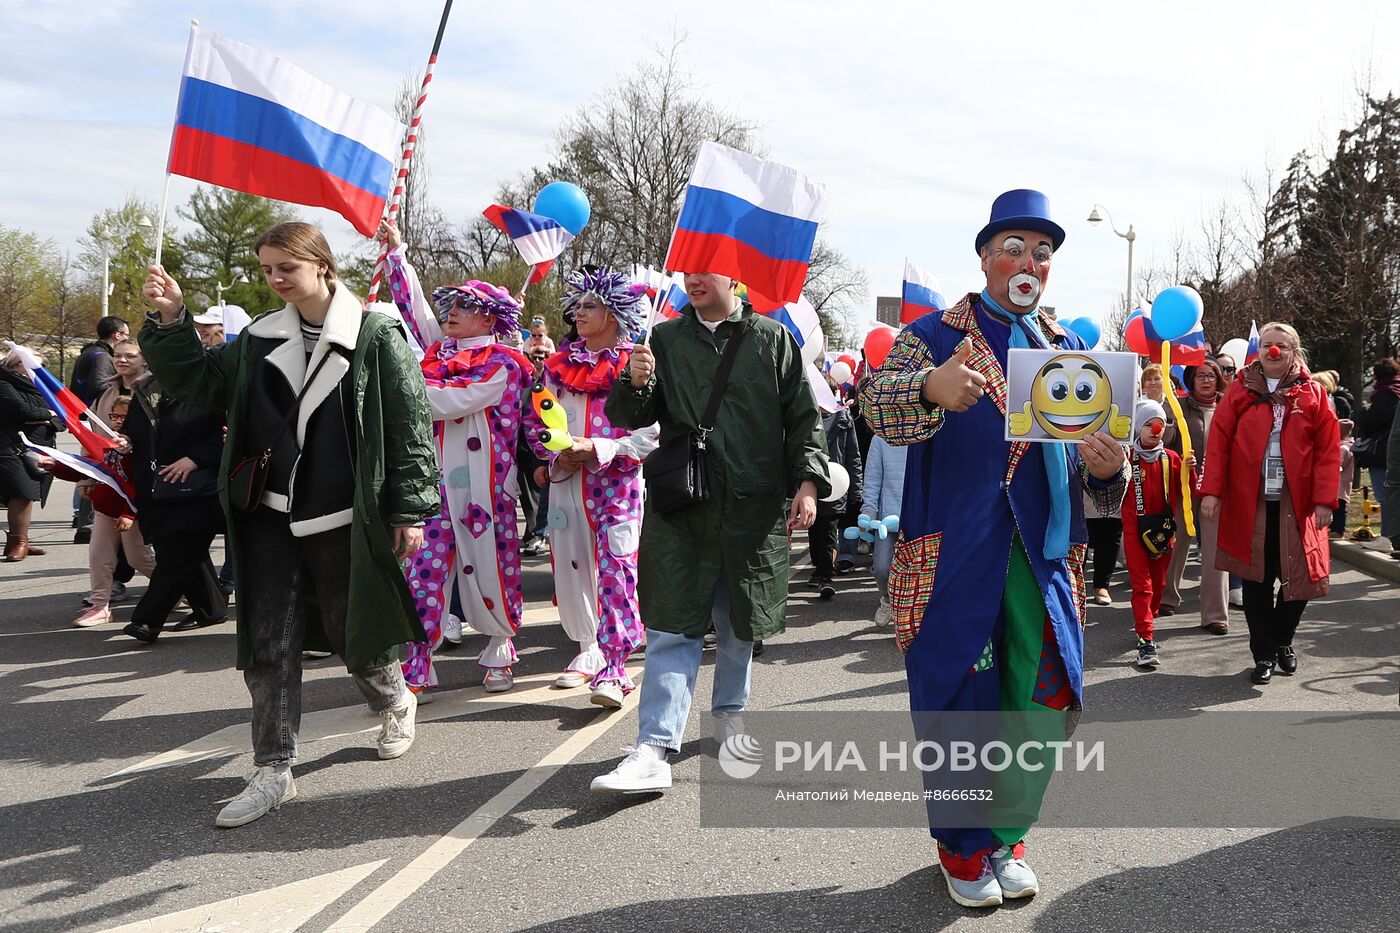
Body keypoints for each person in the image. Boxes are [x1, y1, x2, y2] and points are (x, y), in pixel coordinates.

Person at [862, 189, 1128, 908]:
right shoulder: (934, 334)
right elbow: (876, 406)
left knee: (1039, 696)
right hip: (954, 554)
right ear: (984, 256)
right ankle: (963, 846)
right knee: (962, 699)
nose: (1029, 262)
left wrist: (1107, 466)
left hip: (1041, 560)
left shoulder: (1069, 350)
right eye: (1015, 247)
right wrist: (927, 387)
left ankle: (1008, 835)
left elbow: (1098, 479)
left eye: (1043, 252)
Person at [139, 220, 439, 828]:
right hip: (268, 517)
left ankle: (395, 697)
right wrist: (171, 321)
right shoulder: (257, 337)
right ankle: (273, 769)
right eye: (267, 269)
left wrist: (410, 510)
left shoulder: (377, 334)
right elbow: (198, 381)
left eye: (286, 268)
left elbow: (409, 426)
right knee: (269, 644)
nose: (275, 280)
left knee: (355, 634)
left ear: (322, 266)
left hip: (345, 517)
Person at [589, 269, 829, 794]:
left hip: (752, 508)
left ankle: (728, 715)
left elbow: (804, 421)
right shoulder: (665, 337)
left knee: (738, 620)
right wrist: (635, 381)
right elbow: (628, 416)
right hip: (683, 508)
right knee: (673, 624)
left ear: (734, 276)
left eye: (706, 270)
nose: (694, 279)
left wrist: (808, 484)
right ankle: (653, 746)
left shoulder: (772, 340)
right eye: (689, 270)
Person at [382, 224, 532, 695]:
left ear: (489, 320)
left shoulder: (503, 363)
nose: (453, 313)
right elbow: (415, 311)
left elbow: (452, 401)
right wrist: (396, 252)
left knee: (493, 568)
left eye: (466, 307)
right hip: (434, 487)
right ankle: (416, 665)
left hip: (486, 491)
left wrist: (400, 387)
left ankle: (500, 650)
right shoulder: (437, 351)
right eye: (454, 305)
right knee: (422, 571)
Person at [524, 265, 658, 707]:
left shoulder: (634, 366)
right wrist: (551, 453)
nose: (577, 312)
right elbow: (535, 420)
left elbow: (651, 434)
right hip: (566, 486)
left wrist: (599, 448)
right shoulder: (558, 367)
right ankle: (588, 649)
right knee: (570, 569)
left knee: (617, 572)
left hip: (616, 488)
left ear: (615, 312)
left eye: (589, 305)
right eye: (577, 305)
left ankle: (616, 669)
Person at [1201, 322, 1339, 686]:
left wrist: (1326, 500)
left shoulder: (1313, 394)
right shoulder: (1238, 391)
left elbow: (1327, 452)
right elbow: (1219, 443)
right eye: (1266, 345)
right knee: (1255, 581)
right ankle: (1263, 654)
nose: (1272, 351)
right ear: (1258, 350)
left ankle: (1283, 641)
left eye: (1280, 345)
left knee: (1302, 578)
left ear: (1294, 352)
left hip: (1298, 505)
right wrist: (1212, 491)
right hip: (1251, 503)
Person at [117, 350, 228, 642]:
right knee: (178, 551)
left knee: (179, 554)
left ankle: (146, 621)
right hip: (156, 487)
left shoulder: (209, 389)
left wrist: (195, 458)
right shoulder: (144, 389)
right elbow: (135, 430)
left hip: (196, 488)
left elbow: (227, 433)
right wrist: (126, 440)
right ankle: (211, 608)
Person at [71, 394, 156, 627]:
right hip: (105, 509)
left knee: (139, 558)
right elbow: (88, 465)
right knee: (99, 557)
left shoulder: (139, 447)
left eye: (123, 417)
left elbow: (140, 485)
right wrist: (55, 466)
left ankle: (176, 589)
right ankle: (100, 606)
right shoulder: (104, 441)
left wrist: (129, 513)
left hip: (130, 512)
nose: (117, 421)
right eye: (114, 416)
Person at [1160, 357, 1230, 633]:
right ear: (1190, 380)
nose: (1206, 380)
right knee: (1176, 544)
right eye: (1199, 375)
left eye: (1211, 375)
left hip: (1217, 489)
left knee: (1215, 551)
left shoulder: (1229, 406)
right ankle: (1166, 597)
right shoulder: (1177, 406)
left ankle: (1215, 614)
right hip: (1183, 487)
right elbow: (1162, 443)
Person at [1121, 398, 1192, 667]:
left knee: (1159, 585)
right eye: (1149, 424)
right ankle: (1146, 638)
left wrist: (1189, 470)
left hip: (1163, 532)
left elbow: (1189, 490)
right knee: (1143, 586)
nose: (1155, 429)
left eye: (1160, 424)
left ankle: (1146, 620)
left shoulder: (1172, 458)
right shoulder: (1126, 458)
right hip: (1134, 531)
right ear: (1138, 428)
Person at [69, 316, 129, 544]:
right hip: (99, 418)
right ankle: (85, 523)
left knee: (94, 466)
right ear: (116, 335)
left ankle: (83, 520)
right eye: (125, 334)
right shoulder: (102, 356)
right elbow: (98, 385)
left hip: (90, 417)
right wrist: (120, 392)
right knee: (98, 466)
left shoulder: (90, 352)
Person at [0, 347, 60, 561]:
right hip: (12, 447)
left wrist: (46, 417)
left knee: (29, 494)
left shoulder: (42, 387)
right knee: (22, 493)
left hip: (40, 448)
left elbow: (62, 418)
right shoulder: (4, 383)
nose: (39, 370)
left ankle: (18, 540)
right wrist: (47, 415)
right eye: (34, 365)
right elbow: (21, 410)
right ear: (16, 364)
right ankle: (19, 542)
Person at [809, 398, 863, 600]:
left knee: (828, 533)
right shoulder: (808, 415)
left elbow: (853, 456)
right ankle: (819, 569)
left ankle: (825, 577)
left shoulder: (844, 419)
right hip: (812, 483)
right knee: (815, 533)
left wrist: (856, 490)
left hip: (836, 485)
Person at [860, 432, 907, 626]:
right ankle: (887, 600)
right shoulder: (880, 438)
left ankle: (907, 614)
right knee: (881, 568)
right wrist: (869, 510)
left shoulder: (928, 433)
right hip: (886, 518)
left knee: (915, 571)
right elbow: (872, 478)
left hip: (919, 516)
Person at [1353, 358, 1398, 538]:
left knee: (1385, 495)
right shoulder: (1396, 391)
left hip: (1382, 453)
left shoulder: (1385, 394)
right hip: (1392, 450)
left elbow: (1372, 421)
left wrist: (1363, 413)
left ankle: (1388, 536)